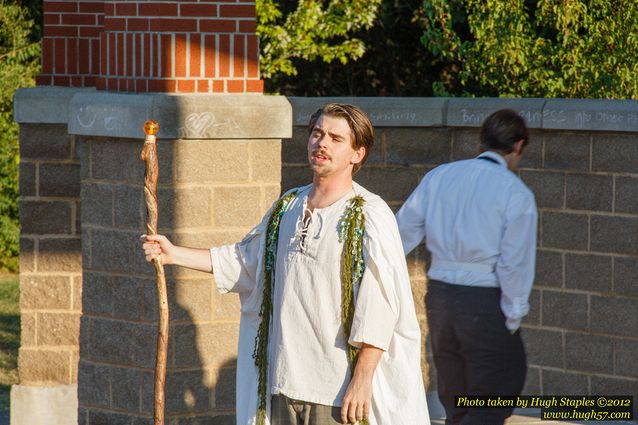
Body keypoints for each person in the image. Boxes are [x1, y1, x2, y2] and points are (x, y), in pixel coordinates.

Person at [142, 103, 429, 425]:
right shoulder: (287, 206)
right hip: (283, 382)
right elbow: (245, 262)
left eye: (336, 138)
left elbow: (381, 307)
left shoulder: (369, 215)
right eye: (317, 134)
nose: (322, 144)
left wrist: (362, 380)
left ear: (357, 154)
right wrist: (173, 254)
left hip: (336, 388)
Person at [395, 109, 537, 425]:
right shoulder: (516, 194)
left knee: (456, 395)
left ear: (482, 140)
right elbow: (515, 264)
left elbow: (399, 235)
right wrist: (513, 315)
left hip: (441, 298)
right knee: (496, 390)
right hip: (485, 300)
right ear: (517, 146)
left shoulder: (440, 176)